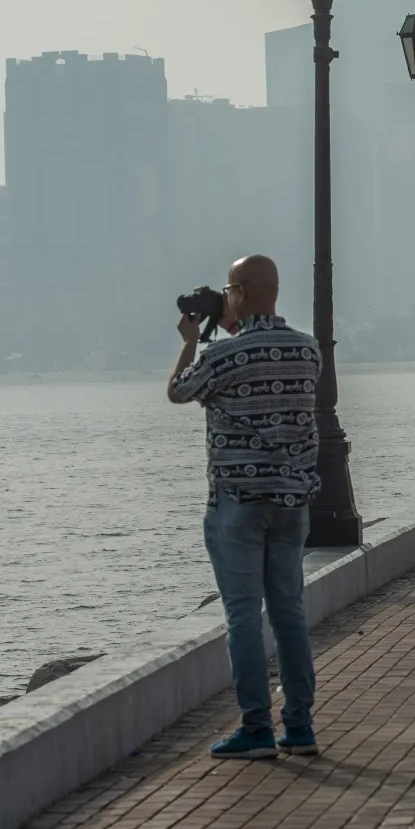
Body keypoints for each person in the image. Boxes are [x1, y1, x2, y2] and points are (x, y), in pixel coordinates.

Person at [167, 254, 321, 761]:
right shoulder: (308, 350)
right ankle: (299, 727)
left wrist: (192, 340)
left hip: (237, 503)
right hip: (291, 502)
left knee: (242, 616)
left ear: (237, 291)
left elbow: (178, 392)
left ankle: (256, 726)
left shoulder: (222, 357)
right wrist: (235, 317)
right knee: (289, 613)